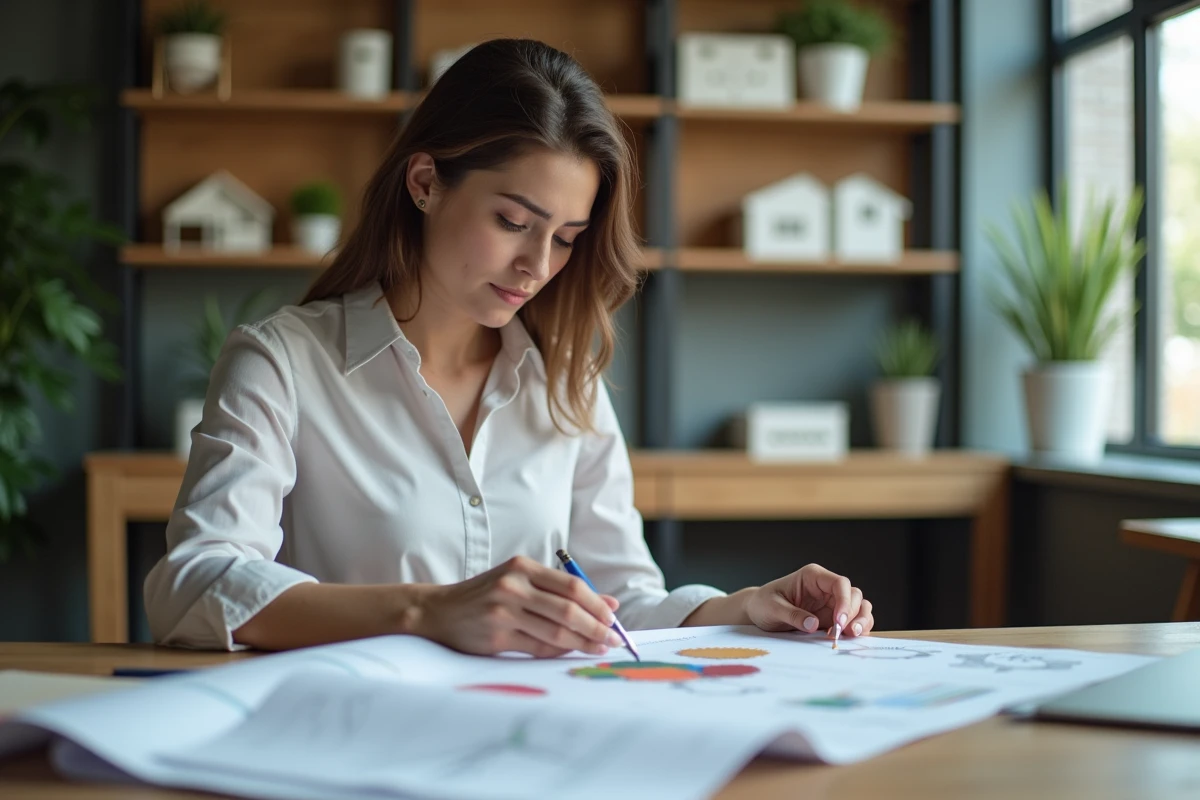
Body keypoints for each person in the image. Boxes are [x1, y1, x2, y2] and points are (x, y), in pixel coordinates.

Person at [144, 38, 875, 655]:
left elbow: (621, 602)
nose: (538, 265)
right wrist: (427, 610)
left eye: (565, 238)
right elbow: (192, 584)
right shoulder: (283, 362)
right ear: (426, 183)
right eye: (513, 222)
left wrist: (743, 607)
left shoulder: (566, 381)